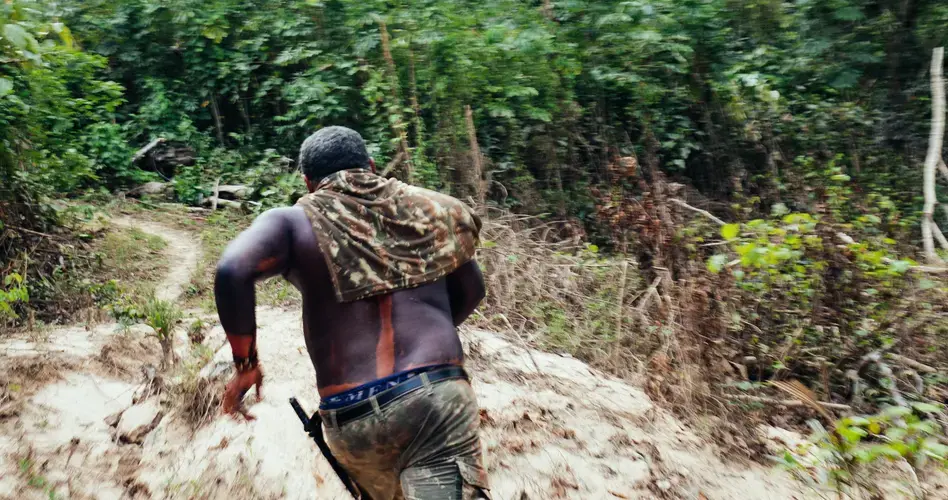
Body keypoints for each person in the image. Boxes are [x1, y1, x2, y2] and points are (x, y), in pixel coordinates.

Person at [213, 126, 490, 500]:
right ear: (372, 166)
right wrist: (430, 333)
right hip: (434, 403)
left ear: (309, 183)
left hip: (350, 416)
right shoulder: (429, 212)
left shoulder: (292, 223)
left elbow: (232, 270)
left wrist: (246, 367)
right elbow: (473, 289)